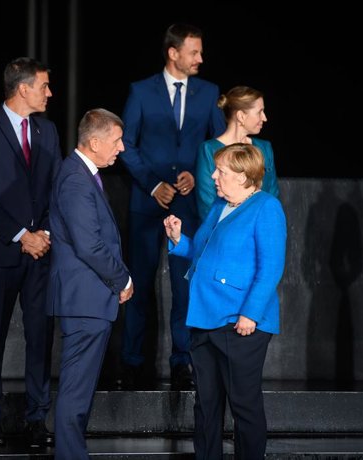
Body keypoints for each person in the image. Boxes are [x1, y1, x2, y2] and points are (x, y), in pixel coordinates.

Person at [119, 23, 225, 390]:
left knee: (185, 286)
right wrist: (152, 185)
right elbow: (125, 144)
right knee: (139, 284)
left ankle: (183, 362)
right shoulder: (141, 91)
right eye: (194, 52)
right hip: (148, 204)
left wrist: (199, 175)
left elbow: (217, 144)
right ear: (173, 53)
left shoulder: (209, 92)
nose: (200, 58)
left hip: (189, 204)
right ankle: (132, 362)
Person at [164, 142, 286, 459]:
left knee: (243, 404)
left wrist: (250, 315)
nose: (214, 177)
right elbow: (201, 253)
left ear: (244, 176)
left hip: (239, 323)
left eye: (222, 171)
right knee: (206, 405)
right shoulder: (220, 208)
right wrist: (179, 240)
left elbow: (270, 267)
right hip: (205, 318)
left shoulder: (266, 207)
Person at [0, 57, 62, 446]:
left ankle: (38, 417)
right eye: (44, 86)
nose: (49, 93)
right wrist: (23, 235)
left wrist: (45, 233)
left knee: (40, 335)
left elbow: (56, 188)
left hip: (42, 250)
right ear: (23, 89)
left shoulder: (49, 131)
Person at [47, 108, 133, 459]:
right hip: (85, 299)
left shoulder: (84, 174)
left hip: (89, 299)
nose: (122, 148)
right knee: (75, 391)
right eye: (116, 141)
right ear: (94, 142)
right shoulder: (75, 179)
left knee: (79, 390)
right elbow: (90, 245)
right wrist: (122, 278)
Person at [196, 85, 280, 219]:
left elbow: (272, 194)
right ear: (241, 116)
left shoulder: (264, 147)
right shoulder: (209, 149)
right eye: (260, 112)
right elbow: (207, 204)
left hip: (260, 225)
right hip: (225, 231)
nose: (264, 118)